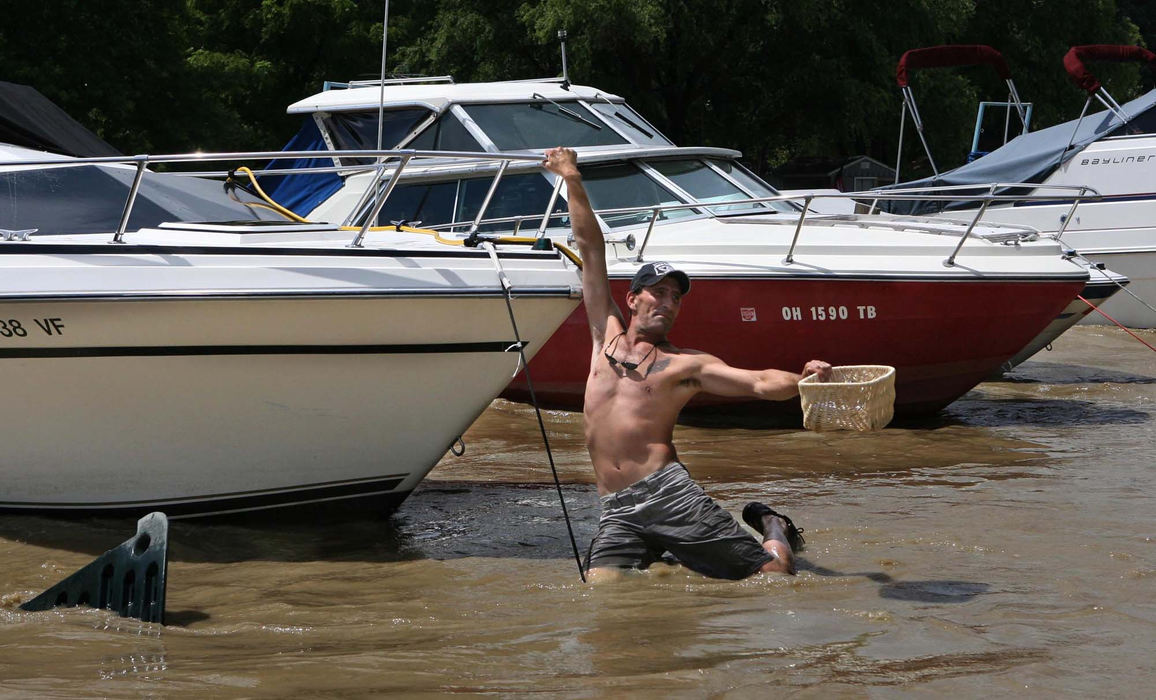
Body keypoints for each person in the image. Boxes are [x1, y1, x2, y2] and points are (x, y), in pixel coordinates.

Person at [542, 146, 833, 582]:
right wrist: (572, 178)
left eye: (675, 297)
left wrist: (804, 380)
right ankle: (666, 558)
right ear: (633, 298)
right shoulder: (605, 336)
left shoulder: (684, 365)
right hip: (616, 507)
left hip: (667, 496)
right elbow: (590, 248)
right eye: (658, 292)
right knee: (604, 596)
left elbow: (757, 383)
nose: (668, 302)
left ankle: (775, 526)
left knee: (772, 577)